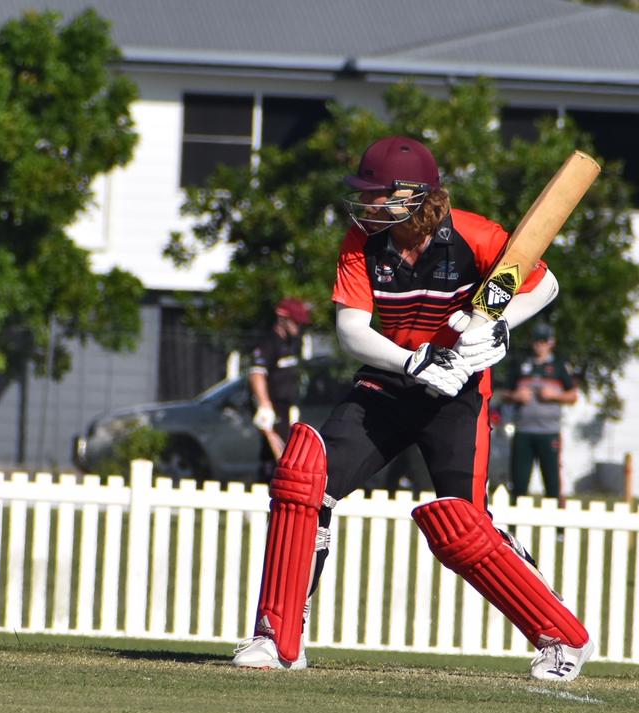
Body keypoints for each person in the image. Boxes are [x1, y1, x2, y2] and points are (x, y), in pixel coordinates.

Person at [232, 136, 594, 682]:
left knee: (464, 526)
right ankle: (277, 637)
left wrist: (495, 326)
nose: (366, 206)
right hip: (389, 379)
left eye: (376, 196)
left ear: (412, 195)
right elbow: (352, 330)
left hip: (461, 391)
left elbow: (543, 285)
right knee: (305, 478)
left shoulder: (474, 235)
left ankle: (561, 636)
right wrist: (412, 364)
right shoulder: (362, 242)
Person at [501, 321, 578, 504]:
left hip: (548, 432)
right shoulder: (520, 364)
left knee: (552, 482)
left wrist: (554, 395)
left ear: (551, 342)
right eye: (537, 341)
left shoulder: (559, 366)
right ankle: (514, 527)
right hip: (523, 431)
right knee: (519, 481)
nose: (539, 345)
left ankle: (557, 529)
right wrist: (516, 396)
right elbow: (503, 393)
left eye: (543, 341)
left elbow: (573, 396)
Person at [249, 298, 312, 483]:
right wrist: (265, 406)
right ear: (282, 317)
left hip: (287, 409)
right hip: (273, 408)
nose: (298, 327)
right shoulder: (268, 343)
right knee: (276, 459)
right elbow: (257, 375)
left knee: (286, 455)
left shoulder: (292, 344)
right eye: (295, 321)